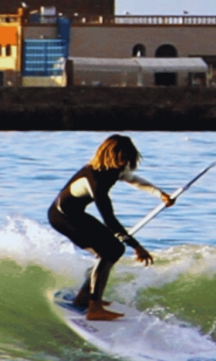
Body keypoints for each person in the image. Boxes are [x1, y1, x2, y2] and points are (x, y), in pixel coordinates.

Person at [48, 134, 173, 320]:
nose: (125, 164)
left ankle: (84, 298)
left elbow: (134, 179)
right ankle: (94, 307)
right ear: (110, 156)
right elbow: (109, 219)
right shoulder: (94, 178)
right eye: (122, 159)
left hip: (77, 214)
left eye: (128, 159)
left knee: (112, 250)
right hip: (62, 217)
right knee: (109, 251)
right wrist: (137, 246)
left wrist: (160, 194)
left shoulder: (115, 170)